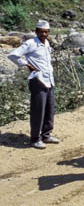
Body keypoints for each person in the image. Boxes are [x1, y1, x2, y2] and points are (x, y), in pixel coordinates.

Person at [7, 20, 58, 149]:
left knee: (49, 109)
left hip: (49, 80)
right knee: (38, 110)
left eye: (46, 32)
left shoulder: (46, 44)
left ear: (49, 32)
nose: (44, 34)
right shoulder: (31, 43)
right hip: (38, 80)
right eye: (41, 32)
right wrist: (26, 64)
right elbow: (13, 55)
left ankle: (46, 135)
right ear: (36, 32)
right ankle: (35, 138)